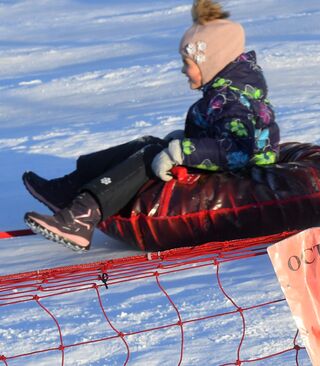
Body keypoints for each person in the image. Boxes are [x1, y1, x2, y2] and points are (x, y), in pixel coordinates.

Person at [23, 0, 280, 252]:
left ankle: (82, 217)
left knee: (150, 155)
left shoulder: (231, 99)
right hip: (228, 165)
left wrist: (184, 151)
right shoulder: (224, 94)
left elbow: (236, 149)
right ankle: (70, 188)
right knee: (150, 143)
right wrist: (185, 141)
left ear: (209, 62)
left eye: (188, 64)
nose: (183, 71)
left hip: (242, 179)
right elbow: (221, 134)